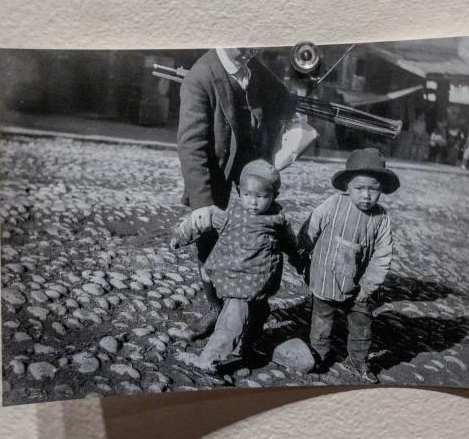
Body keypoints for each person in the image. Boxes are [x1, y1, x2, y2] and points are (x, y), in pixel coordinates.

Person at [175, 48, 294, 341]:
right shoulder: (200, 77)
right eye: (246, 42)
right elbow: (191, 145)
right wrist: (202, 204)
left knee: (259, 235)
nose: (253, 48)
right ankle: (215, 307)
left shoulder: (253, 65)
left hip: (252, 169)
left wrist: (285, 127)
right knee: (208, 245)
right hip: (214, 171)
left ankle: (253, 310)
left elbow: (284, 100)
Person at [170, 160, 302, 372]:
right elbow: (204, 221)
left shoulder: (278, 220)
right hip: (236, 280)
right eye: (247, 195)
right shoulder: (232, 213)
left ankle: (247, 348)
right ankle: (208, 359)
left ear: (274, 196)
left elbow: (291, 244)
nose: (253, 202)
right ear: (240, 191)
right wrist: (182, 235)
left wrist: (299, 260)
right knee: (231, 321)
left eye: (261, 197)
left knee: (260, 314)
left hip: (261, 281)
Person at [298, 148, 397, 384]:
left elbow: (383, 255)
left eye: (373, 189)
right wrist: (301, 253)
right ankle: (319, 354)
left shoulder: (381, 219)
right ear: (347, 186)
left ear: (381, 189)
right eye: (359, 188)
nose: (366, 195)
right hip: (326, 276)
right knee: (322, 319)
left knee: (362, 323)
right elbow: (311, 227)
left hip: (358, 284)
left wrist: (369, 286)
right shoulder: (333, 204)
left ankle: (358, 360)